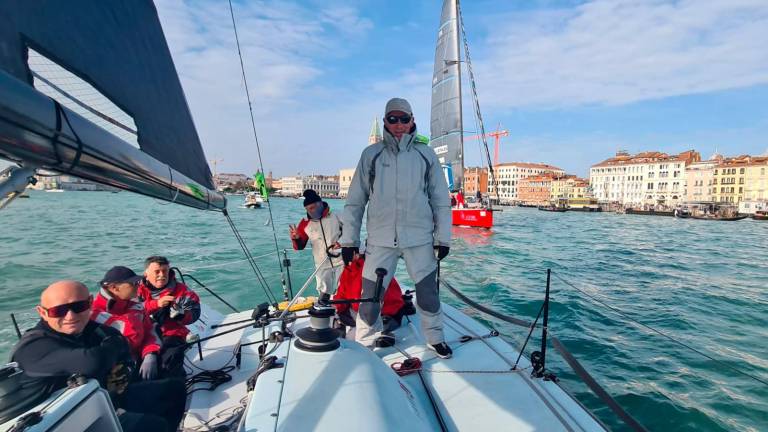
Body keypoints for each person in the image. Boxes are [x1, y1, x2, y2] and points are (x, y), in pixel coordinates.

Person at [340, 97, 453, 358]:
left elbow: (440, 200)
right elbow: (356, 200)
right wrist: (349, 241)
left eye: (404, 119)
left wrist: (443, 238)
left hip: (419, 239)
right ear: (385, 122)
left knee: (427, 294)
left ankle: (434, 338)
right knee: (370, 296)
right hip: (380, 240)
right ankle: (366, 341)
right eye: (393, 119)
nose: (399, 124)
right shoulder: (372, 154)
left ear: (413, 120)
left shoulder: (426, 155)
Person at [11, 280, 185, 432]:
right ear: (42, 312)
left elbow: (120, 341)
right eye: (59, 311)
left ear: (90, 303)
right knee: (152, 425)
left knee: (173, 389)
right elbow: (93, 361)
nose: (70, 316)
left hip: (100, 399)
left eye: (78, 307)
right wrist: (112, 351)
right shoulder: (32, 347)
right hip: (58, 418)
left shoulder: (90, 330)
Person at [91, 266, 162, 380]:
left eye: (138, 283)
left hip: (141, 359)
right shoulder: (93, 315)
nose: (138, 286)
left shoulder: (136, 306)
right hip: (115, 372)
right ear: (114, 288)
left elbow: (150, 330)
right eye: (133, 284)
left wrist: (150, 354)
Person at [136, 256, 200, 377]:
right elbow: (130, 310)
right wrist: (156, 304)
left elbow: (195, 312)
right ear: (146, 273)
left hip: (171, 334)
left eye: (165, 271)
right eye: (157, 272)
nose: (162, 275)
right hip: (142, 333)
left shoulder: (181, 290)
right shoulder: (136, 289)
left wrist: (181, 315)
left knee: (168, 361)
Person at [333, 254, 409, 334]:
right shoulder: (381, 268)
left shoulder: (351, 269)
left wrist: (335, 310)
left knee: (339, 315)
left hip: (370, 316)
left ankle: (339, 334)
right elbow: (395, 297)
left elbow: (342, 296)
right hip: (386, 315)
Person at [289, 189, 344, 298]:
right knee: (323, 293)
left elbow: (351, 230)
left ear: (320, 204)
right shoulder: (305, 223)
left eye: (313, 207)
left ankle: (343, 312)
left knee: (343, 290)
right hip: (321, 264)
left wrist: (341, 242)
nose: (311, 211)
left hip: (341, 261)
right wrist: (296, 238)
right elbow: (299, 246)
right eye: (308, 209)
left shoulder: (336, 215)